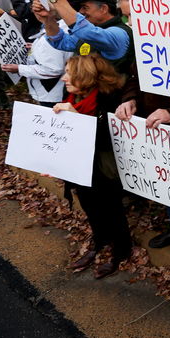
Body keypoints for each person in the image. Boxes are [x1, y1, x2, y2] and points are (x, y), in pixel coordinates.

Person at [53, 53, 132, 279]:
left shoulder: (110, 99)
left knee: (111, 207)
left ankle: (121, 250)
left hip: (103, 168)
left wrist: (77, 118)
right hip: (78, 165)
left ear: (85, 76)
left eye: (69, 73)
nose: (63, 79)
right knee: (89, 204)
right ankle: (100, 240)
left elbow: (110, 139)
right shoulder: (70, 96)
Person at [32, 0, 133, 76]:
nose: (80, 12)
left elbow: (86, 32)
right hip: (85, 90)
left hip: (107, 91)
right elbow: (60, 41)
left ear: (103, 9)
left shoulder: (120, 33)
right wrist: (48, 19)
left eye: (85, 7)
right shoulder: (94, 28)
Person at [1, 21, 72, 107]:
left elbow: (53, 70)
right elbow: (54, 51)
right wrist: (36, 47)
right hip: (53, 92)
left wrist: (19, 69)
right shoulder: (62, 24)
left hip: (51, 95)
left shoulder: (56, 31)